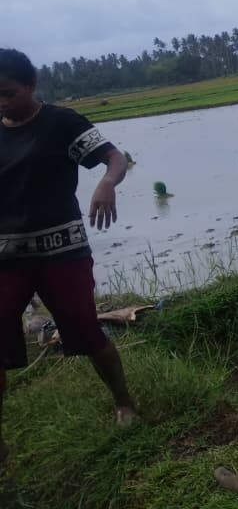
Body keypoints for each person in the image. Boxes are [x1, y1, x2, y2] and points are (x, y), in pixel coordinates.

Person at [0, 49, 138, 464]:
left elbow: (114, 157)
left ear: (31, 85)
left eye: (8, 93)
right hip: (7, 257)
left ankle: (124, 402)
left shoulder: (61, 122)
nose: (1, 103)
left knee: (83, 327)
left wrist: (107, 184)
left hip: (62, 253)